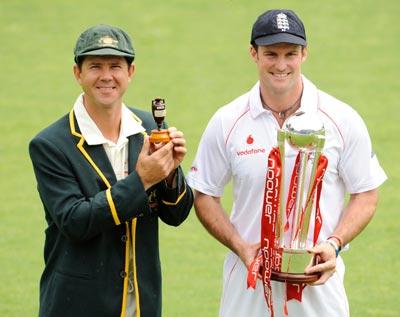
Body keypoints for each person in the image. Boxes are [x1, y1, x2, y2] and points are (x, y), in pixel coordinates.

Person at [187, 9, 387, 317]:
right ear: (253, 53)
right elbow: (204, 195)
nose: (281, 65)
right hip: (248, 288)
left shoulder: (342, 119)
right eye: (271, 54)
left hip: (319, 290)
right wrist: (241, 247)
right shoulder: (227, 121)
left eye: (290, 53)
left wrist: (333, 244)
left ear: (304, 53)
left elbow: (366, 193)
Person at [29, 24, 193, 317]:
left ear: (130, 72)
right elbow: (75, 222)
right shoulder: (49, 145)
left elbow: (176, 215)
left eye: (116, 66)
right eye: (95, 66)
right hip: (77, 306)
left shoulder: (150, 129)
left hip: (142, 304)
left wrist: (170, 173)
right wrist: (143, 179)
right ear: (78, 73)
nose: (106, 76)